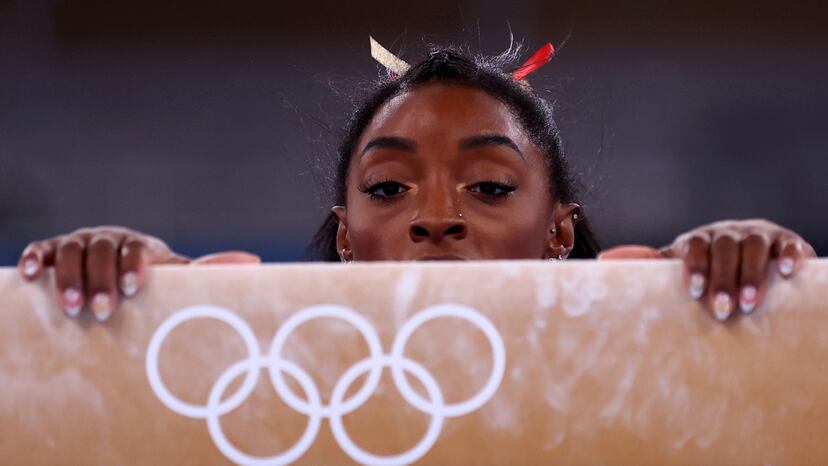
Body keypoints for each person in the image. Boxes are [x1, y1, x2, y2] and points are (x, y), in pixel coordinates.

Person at [17, 44, 816, 324]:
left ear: (560, 232)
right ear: (345, 236)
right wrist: (136, 308)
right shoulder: (269, 377)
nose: (436, 218)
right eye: (389, 188)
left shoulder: (650, 363)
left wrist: (764, 290)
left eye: (489, 187)